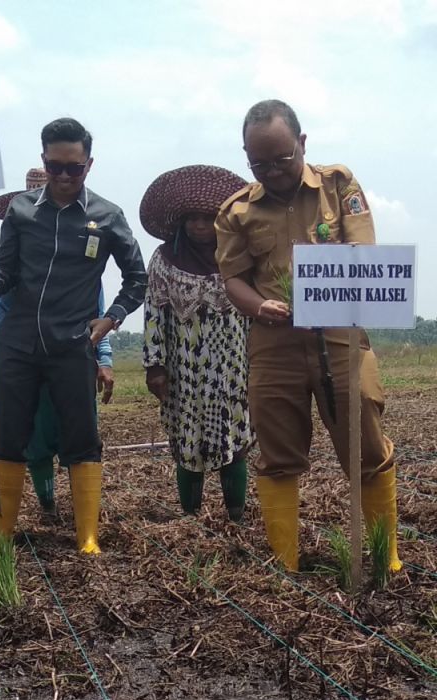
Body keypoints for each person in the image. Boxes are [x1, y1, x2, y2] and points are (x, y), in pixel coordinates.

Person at [216, 99, 399, 572]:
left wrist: (328, 284)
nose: (273, 172)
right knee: (277, 456)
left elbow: (364, 251)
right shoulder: (236, 212)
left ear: (302, 143)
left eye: (282, 159)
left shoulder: (338, 187)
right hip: (274, 344)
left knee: (366, 447)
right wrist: (259, 305)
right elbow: (232, 277)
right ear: (246, 157)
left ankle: (385, 557)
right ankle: (287, 564)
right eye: (260, 163)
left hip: (340, 339)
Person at [0, 117, 147, 555]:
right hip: (18, 344)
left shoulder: (106, 216)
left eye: (75, 168)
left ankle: (86, 535)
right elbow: (5, 272)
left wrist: (111, 318)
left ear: (89, 164)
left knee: (82, 438)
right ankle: (1, 532)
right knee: (8, 436)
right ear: (43, 161)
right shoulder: (22, 210)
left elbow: (137, 279)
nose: (65, 177)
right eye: (55, 167)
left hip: (73, 345)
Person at [0, 167, 115, 514]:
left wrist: (103, 359)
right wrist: (0, 361)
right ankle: (46, 506)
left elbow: (97, 311)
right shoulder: (12, 260)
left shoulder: (82, 258)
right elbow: (0, 313)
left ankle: (84, 525)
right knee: (35, 439)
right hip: (23, 357)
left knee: (80, 437)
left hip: (72, 354)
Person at [140, 165, 254, 520]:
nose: (200, 226)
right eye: (192, 219)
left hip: (234, 367)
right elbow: (153, 314)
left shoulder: (239, 257)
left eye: (208, 218)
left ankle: (236, 514)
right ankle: (190, 518)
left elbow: (256, 311)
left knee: (234, 442)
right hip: (183, 370)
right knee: (188, 444)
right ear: (181, 222)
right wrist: (155, 365)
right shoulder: (164, 260)